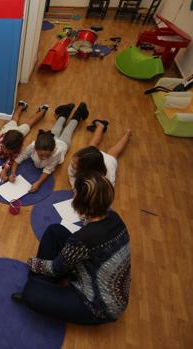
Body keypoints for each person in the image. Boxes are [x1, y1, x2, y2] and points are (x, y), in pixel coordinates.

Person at [11, 172, 131, 325]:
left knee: (31, 294)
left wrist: (33, 263)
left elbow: (56, 268)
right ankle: (43, 284)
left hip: (98, 306)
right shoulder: (115, 218)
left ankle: (38, 286)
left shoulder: (82, 239)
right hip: (94, 275)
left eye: (75, 195)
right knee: (55, 231)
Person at [14, 102, 89, 192]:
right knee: (59, 122)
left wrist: (38, 183)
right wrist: (13, 173)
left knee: (70, 126)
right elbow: (20, 157)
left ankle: (79, 110)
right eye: (41, 155)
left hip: (64, 143)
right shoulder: (33, 145)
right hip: (51, 138)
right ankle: (69, 108)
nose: (44, 158)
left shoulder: (57, 153)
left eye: (48, 155)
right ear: (36, 149)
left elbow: (48, 170)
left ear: (53, 150)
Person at [0, 101, 48, 182]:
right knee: (14, 119)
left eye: (8, 151)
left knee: (29, 124)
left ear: (15, 148)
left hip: (19, 133)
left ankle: (43, 110)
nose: (5, 151)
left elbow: (11, 159)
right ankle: (22, 105)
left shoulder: (17, 148)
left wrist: (5, 170)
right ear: (3, 143)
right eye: (4, 148)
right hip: (7, 129)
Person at [68, 119, 132, 188]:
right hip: (94, 160)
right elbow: (71, 176)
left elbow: (107, 189)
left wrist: (77, 190)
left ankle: (127, 134)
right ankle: (100, 126)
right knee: (92, 144)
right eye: (74, 161)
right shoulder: (77, 162)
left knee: (115, 151)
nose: (72, 163)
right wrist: (74, 186)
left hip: (108, 163)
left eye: (75, 163)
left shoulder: (102, 180)